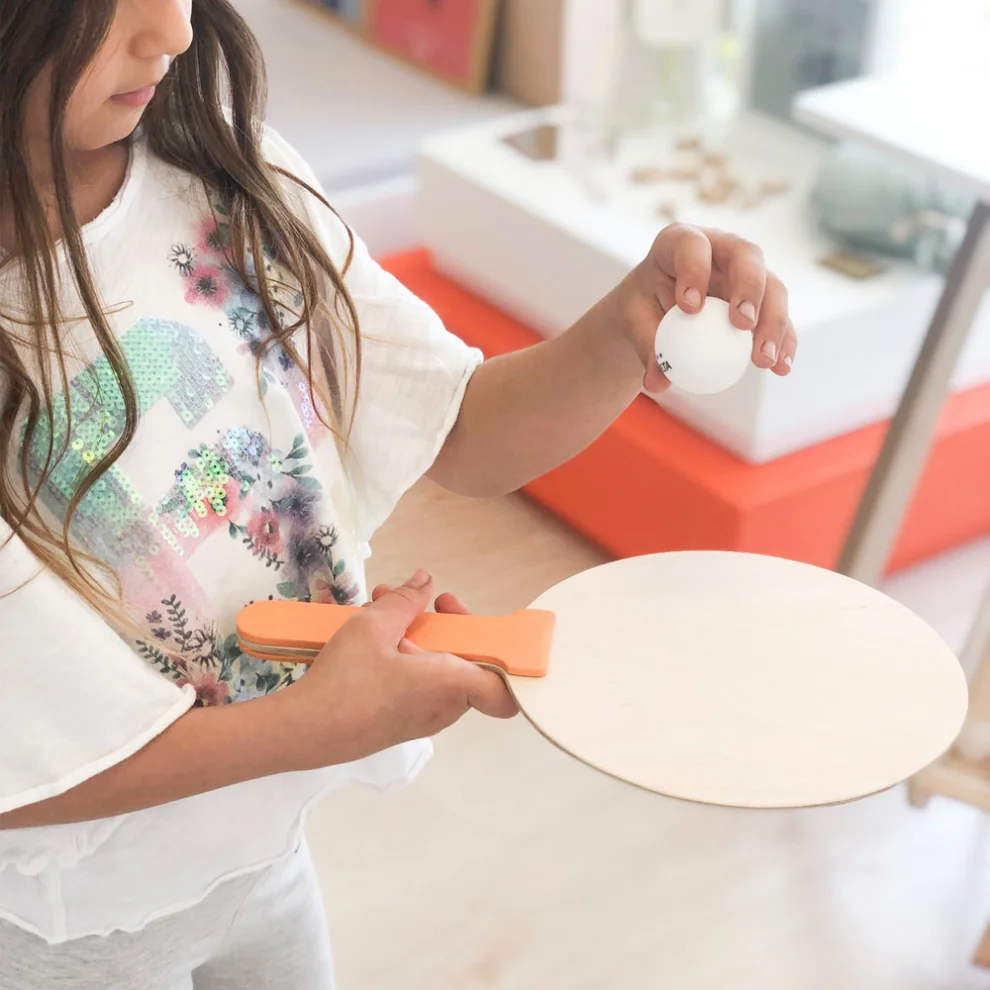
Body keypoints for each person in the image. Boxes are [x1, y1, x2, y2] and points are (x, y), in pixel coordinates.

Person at [0, 1, 797, 986]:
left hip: (262, 842)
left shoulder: (226, 171)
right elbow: (22, 761)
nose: (171, 29)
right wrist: (313, 723)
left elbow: (458, 427)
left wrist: (626, 334)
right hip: (64, 930)